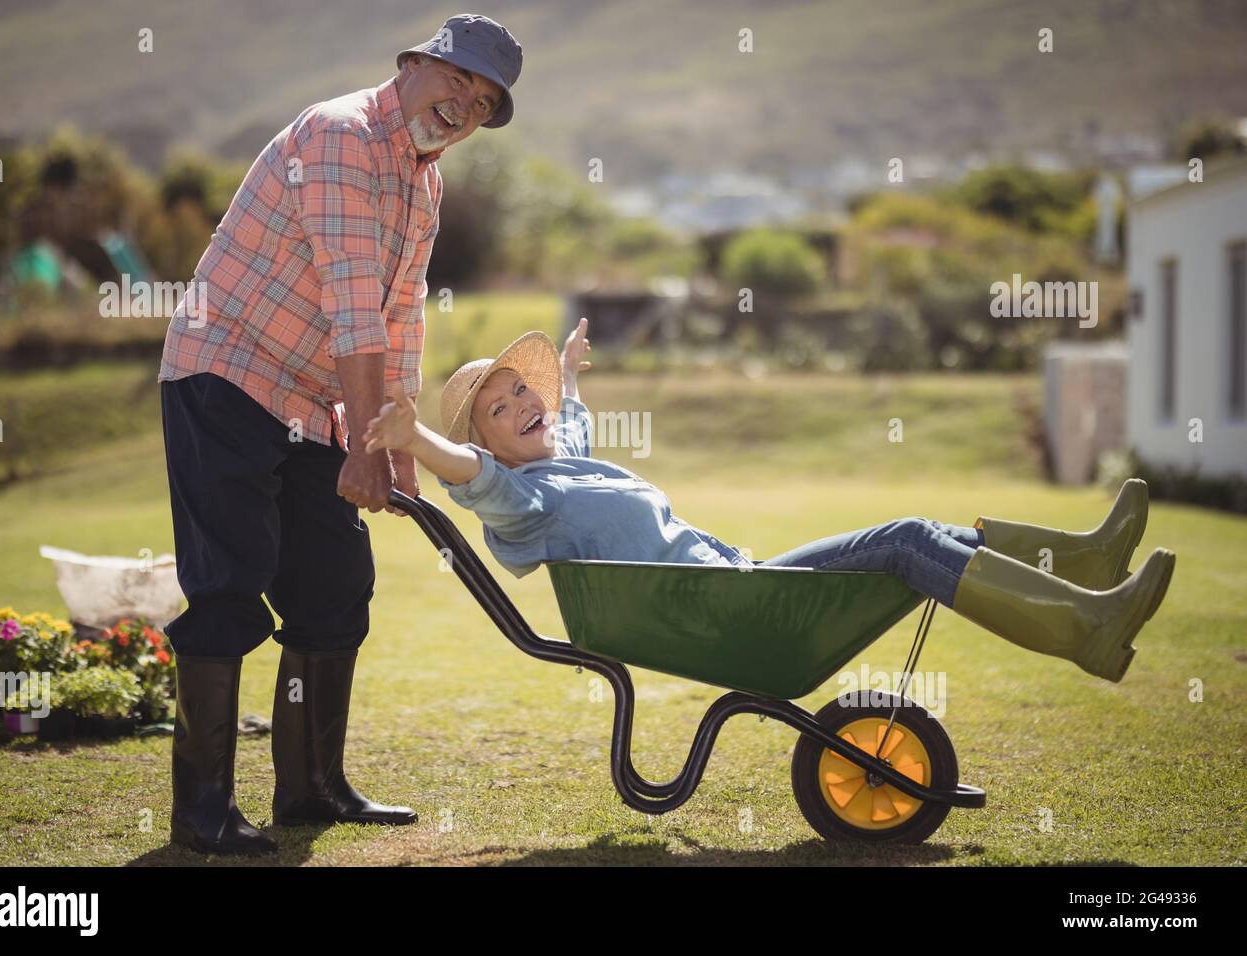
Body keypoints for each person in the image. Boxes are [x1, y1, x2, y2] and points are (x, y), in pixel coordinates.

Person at [156, 14, 523, 855]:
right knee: (230, 582)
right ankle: (201, 810)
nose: (464, 104)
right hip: (226, 374)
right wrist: (362, 447)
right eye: (456, 80)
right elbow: (353, 307)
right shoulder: (339, 136)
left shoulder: (424, 182)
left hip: (311, 401)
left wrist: (398, 452)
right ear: (412, 65)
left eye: (484, 99)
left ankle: (311, 788)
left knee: (334, 585)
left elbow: (399, 321)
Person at [363, 318, 1176, 687]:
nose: (522, 406)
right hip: (730, 611)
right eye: (501, 410)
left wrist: (569, 372)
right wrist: (414, 441)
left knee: (917, 533)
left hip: (739, 585)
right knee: (903, 542)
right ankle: (1084, 629)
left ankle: (1086, 564)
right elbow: (475, 479)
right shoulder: (523, 501)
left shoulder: (561, 465)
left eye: (518, 391)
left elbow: (567, 420)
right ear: (490, 443)